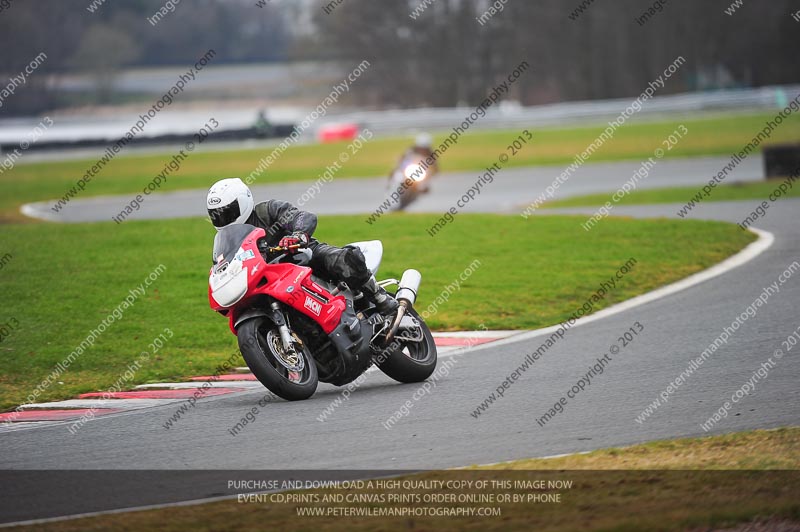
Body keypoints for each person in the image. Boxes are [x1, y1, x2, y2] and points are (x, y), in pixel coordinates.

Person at [206, 178, 398, 315]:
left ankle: (379, 296)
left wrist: (297, 235)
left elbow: (303, 217)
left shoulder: (267, 211)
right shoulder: (226, 241)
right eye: (217, 214)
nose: (223, 218)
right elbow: (224, 267)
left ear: (243, 202)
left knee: (342, 259)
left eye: (227, 212)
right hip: (269, 279)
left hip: (301, 256)